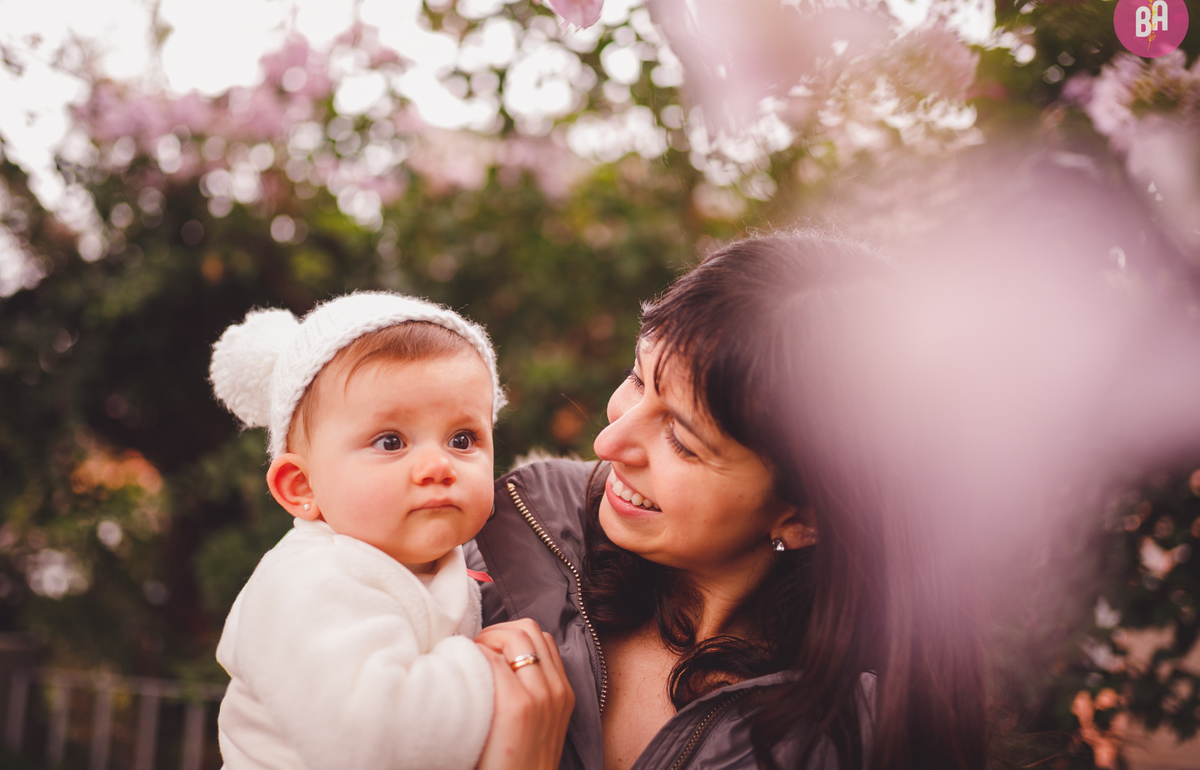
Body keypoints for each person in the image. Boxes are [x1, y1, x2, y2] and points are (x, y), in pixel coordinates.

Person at [471, 232, 989, 770]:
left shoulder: (841, 747)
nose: (609, 444)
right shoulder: (500, 543)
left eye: (682, 441)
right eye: (637, 379)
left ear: (805, 516)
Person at [207, 291, 573, 770]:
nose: (436, 465)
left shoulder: (436, 565)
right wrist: (492, 667)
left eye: (462, 439)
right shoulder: (309, 582)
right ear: (302, 487)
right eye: (390, 441)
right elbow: (380, 739)